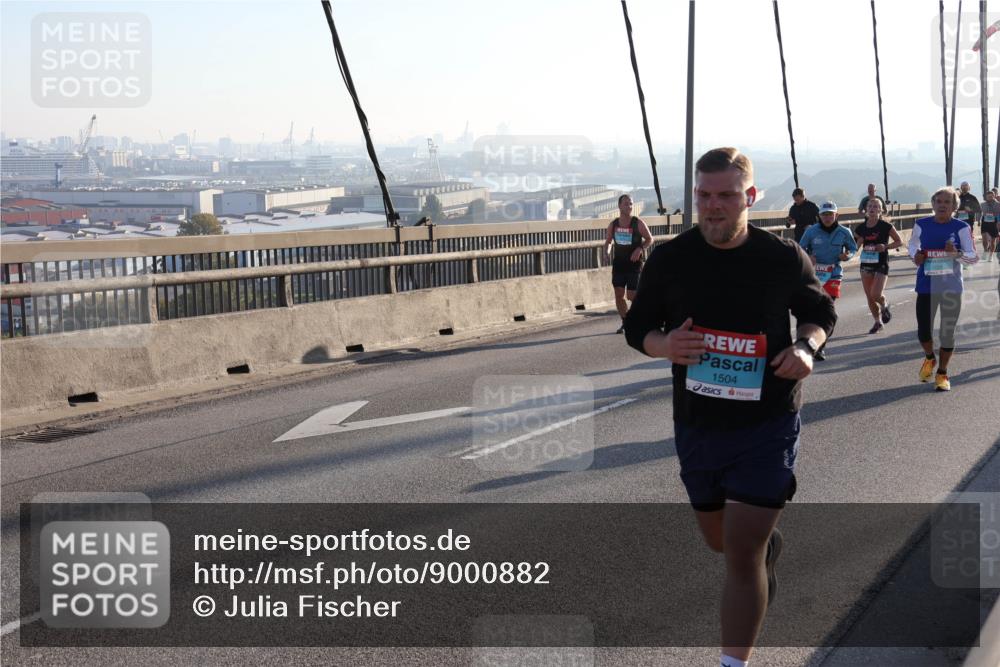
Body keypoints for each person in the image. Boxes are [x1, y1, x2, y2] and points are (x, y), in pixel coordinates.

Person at [624, 147, 836, 667]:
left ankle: (732, 662)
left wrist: (806, 348)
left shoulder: (781, 256)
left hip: (768, 420)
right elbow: (637, 327)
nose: (713, 206)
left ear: (750, 197)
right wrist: (664, 346)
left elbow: (818, 312)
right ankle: (766, 546)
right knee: (722, 542)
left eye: (726, 195)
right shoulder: (671, 260)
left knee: (740, 556)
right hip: (699, 425)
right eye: (704, 195)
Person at [909, 187, 979, 391]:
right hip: (926, 284)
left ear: (954, 206)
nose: (942, 205)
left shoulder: (962, 227)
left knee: (947, 333)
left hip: (951, 287)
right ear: (933, 204)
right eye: (938, 201)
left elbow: (973, 257)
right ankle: (930, 358)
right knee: (924, 331)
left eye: (947, 202)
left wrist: (956, 254)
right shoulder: (921, 224)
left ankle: (942, 373)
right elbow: (912, 246)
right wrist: (916, 257)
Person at [798, 201, 857, 358]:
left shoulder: (844, 232)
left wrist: (847, 256)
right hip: (814, 274)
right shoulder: (811, 231)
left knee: (827, 310)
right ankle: (810, 339)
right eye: (824, 214)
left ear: (836, 215)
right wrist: (808, 256)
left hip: (833, 273)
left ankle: (820, 345)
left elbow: (853, 248)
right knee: (813, 309)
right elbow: (800, 247)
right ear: (819, 216)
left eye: (831, 214)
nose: (827, 217)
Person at [853, 198, 903, 333]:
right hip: (866, 263)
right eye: (870, 206)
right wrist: (849, 251)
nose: (872, 208)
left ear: (881, 210)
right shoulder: (861, 228)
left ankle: (884, 304)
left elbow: (899, 242)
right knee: (869, 296)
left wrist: (885, 246)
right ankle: (877, 322)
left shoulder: (885, 226)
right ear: (866, 209)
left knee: (876, 294)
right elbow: (855, 246)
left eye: (876, 206)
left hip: (881, 263)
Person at [605, 194, 653, 333]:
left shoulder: (637, 223)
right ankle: (626, 322)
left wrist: (640, 248)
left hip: (634, 264)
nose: (629, 206)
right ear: (619, 206)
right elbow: (608, 241)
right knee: (619, 294)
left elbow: (650, 239)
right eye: (626, 204)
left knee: (632, 296)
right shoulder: (613, 225)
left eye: (631, 204)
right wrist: (607, 251)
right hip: (619, 264)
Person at [980, 188, 1000, 261]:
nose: (990, 198)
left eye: (991, 196)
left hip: (994, 222)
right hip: (985, 222)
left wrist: (998, 222)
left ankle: (991, 255)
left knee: (992, 240)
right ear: (986, 197)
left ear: (994, 196)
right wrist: (979, 221)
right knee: (984, 239)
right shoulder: (982, 204)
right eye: (988, 197)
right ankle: (985, 251)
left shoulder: (998, 204)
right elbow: (980, 213)